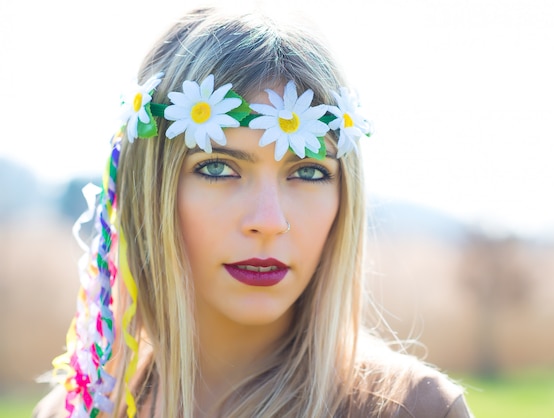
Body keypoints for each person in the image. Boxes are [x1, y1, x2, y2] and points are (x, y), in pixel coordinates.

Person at [33, 4, 473, 417]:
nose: (268, 221)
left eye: (309, 172)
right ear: (151, 188)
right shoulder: (79, 408)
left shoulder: (413, 410)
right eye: (218, 167)